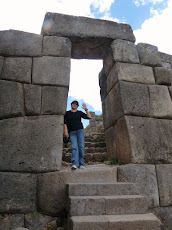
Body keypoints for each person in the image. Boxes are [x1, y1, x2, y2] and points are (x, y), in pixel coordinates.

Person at [64, 100, 91, 170]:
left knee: (81, 147)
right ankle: (74, 164)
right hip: (72, 132)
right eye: (73, 103)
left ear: (77, 106)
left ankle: (81, 163)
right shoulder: (67, 113)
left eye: (76, 104)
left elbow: (89, 117)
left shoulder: (79, 112)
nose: (74, 105)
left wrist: (86, 109)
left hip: (80, 131)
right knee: (74, 147)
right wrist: (65, 132)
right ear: (71, 104)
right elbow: (65, 123)